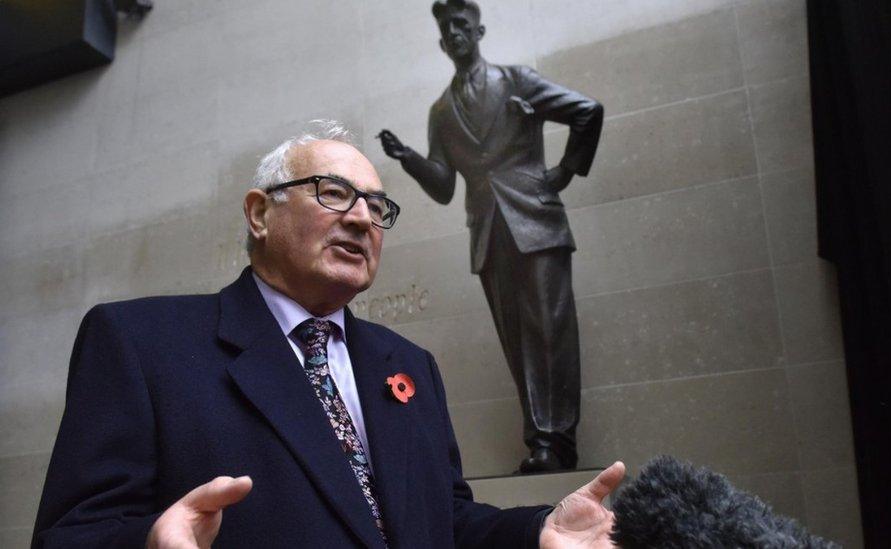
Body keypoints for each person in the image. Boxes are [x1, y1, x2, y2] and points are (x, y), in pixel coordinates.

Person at [31, 121, 624, 548]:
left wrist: (536, 529)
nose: (363, 218)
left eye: (376, 206)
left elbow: (444, 520)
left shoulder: (409, 365)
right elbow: (72, 534)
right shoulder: (141, 343)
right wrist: (152, 543)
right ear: (260, 214)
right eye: (335, 193)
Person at [379, 0, 602, 473]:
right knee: (518, 340)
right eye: (448, 29)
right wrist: (408, 159)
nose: (456, 33)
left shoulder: (517, 80)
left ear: (479, 30)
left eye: (462, 23)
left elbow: (587, 111)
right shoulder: (441, 111)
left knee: (549, 334)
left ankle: (555, 441)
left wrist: (563, 171)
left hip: (536, 223)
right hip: (488, 234)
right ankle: (541, 441)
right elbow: (442, 187)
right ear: (442, 43)